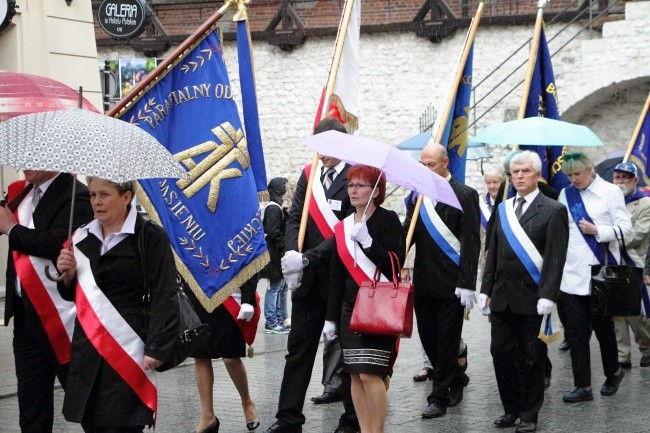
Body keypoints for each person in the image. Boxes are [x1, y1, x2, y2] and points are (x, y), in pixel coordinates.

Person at [55, 177, 179, 432]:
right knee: (93, 424)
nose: (97, 202)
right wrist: (66, 275)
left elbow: (165, 294)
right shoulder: (80, 236)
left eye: (104, 194)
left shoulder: (149, 236)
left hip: (128, 345)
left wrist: (156, 347)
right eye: (92, 195)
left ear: (126, 197)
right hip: (88, 347)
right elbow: (72, 295)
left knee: (122, 424)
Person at [264, 117, 358, 433]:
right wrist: (291, 254)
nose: (323, 154)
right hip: (307, 283)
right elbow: (294, 218)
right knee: (299, 352)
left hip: (342, 280)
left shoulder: (357, 177)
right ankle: (288, 419)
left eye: (329, 147)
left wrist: (307, 258)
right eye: (318, 147)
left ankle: (351, 420)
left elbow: (347, 231)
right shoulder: (309, 174)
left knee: (348, 354)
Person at [479, 151, 569, 433]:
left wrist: (548, 294)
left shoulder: (553, 210)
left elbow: (556, 257)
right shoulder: (503, 208)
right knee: (500, 352)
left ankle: (529, 413)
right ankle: (511, 408)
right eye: (514, 172)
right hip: (503, 296)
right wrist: (485, 289)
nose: (518, 176)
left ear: (537, 175)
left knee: (532, 357)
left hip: (533, 297)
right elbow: (492, 253)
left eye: (525, 171)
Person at [0, 170, 93, 433]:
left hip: (64, 319)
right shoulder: (22, 192)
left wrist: (12, 228)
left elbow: (55, 244)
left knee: (85, 403)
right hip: (25, 318)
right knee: (32, 409)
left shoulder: (78, 195)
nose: (26, 163)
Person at [324, 165, 405, 433]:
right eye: (350, 185)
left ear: (376, 191)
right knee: (354, 375)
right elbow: (336, 274)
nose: (353, 190)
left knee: (371, 374)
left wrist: (368, 242)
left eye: (360, 185)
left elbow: (395, 265)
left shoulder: (388, 220)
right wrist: (330, 319)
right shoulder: (344, 225)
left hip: (378, 309)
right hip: (350, 309)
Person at [402, 143, 480, 419]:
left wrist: (468, 282)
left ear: (445, 162)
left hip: (452, 284)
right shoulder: (418, 196)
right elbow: (406, 236)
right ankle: (456, 378)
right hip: (423, 282)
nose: (425, 169)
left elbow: (471, 242)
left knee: (447, 341)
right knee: (429, 339)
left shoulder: (465, 194)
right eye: (422, 165)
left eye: (430, 164)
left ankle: (439, 397)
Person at [558, 152, 632, 403]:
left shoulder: (611, 192)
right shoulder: (566, 195)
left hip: (600, 271)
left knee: (603, 329)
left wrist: (598, 230)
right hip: (571, 272)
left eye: (577, 174)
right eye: (569, 175)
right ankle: (583, 386)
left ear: (590, 169)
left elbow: (626, 229)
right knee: (576, 332)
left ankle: (613, 372)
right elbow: (561, 228)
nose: (574, 179)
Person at [192, 275, 261, 433]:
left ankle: (247, 402)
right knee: (201, 356)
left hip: (229, 295)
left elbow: (250, 258)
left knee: (230, 358)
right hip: (199, 293)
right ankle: (207, 416)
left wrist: (247, 299)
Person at [611, 162, 650, 369]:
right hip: (611, 264)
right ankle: (622, 356)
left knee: (636, 315)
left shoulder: (645, 203)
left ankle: (647, 347)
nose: (620, 182)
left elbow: (638, 234)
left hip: (634, 263)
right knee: (616, 314)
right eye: (617, 177)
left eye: (625, 177)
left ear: (635, 180)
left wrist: (606, 236)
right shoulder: (608, 202)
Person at [262, 177, 290, 334]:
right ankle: (271, 321)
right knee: (274, 287)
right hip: (274, 254)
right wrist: (283, 246)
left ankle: (281, 318)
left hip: (278, 253)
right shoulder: (272, 208)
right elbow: (273, 231)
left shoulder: (278, 208)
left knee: (282, 287)